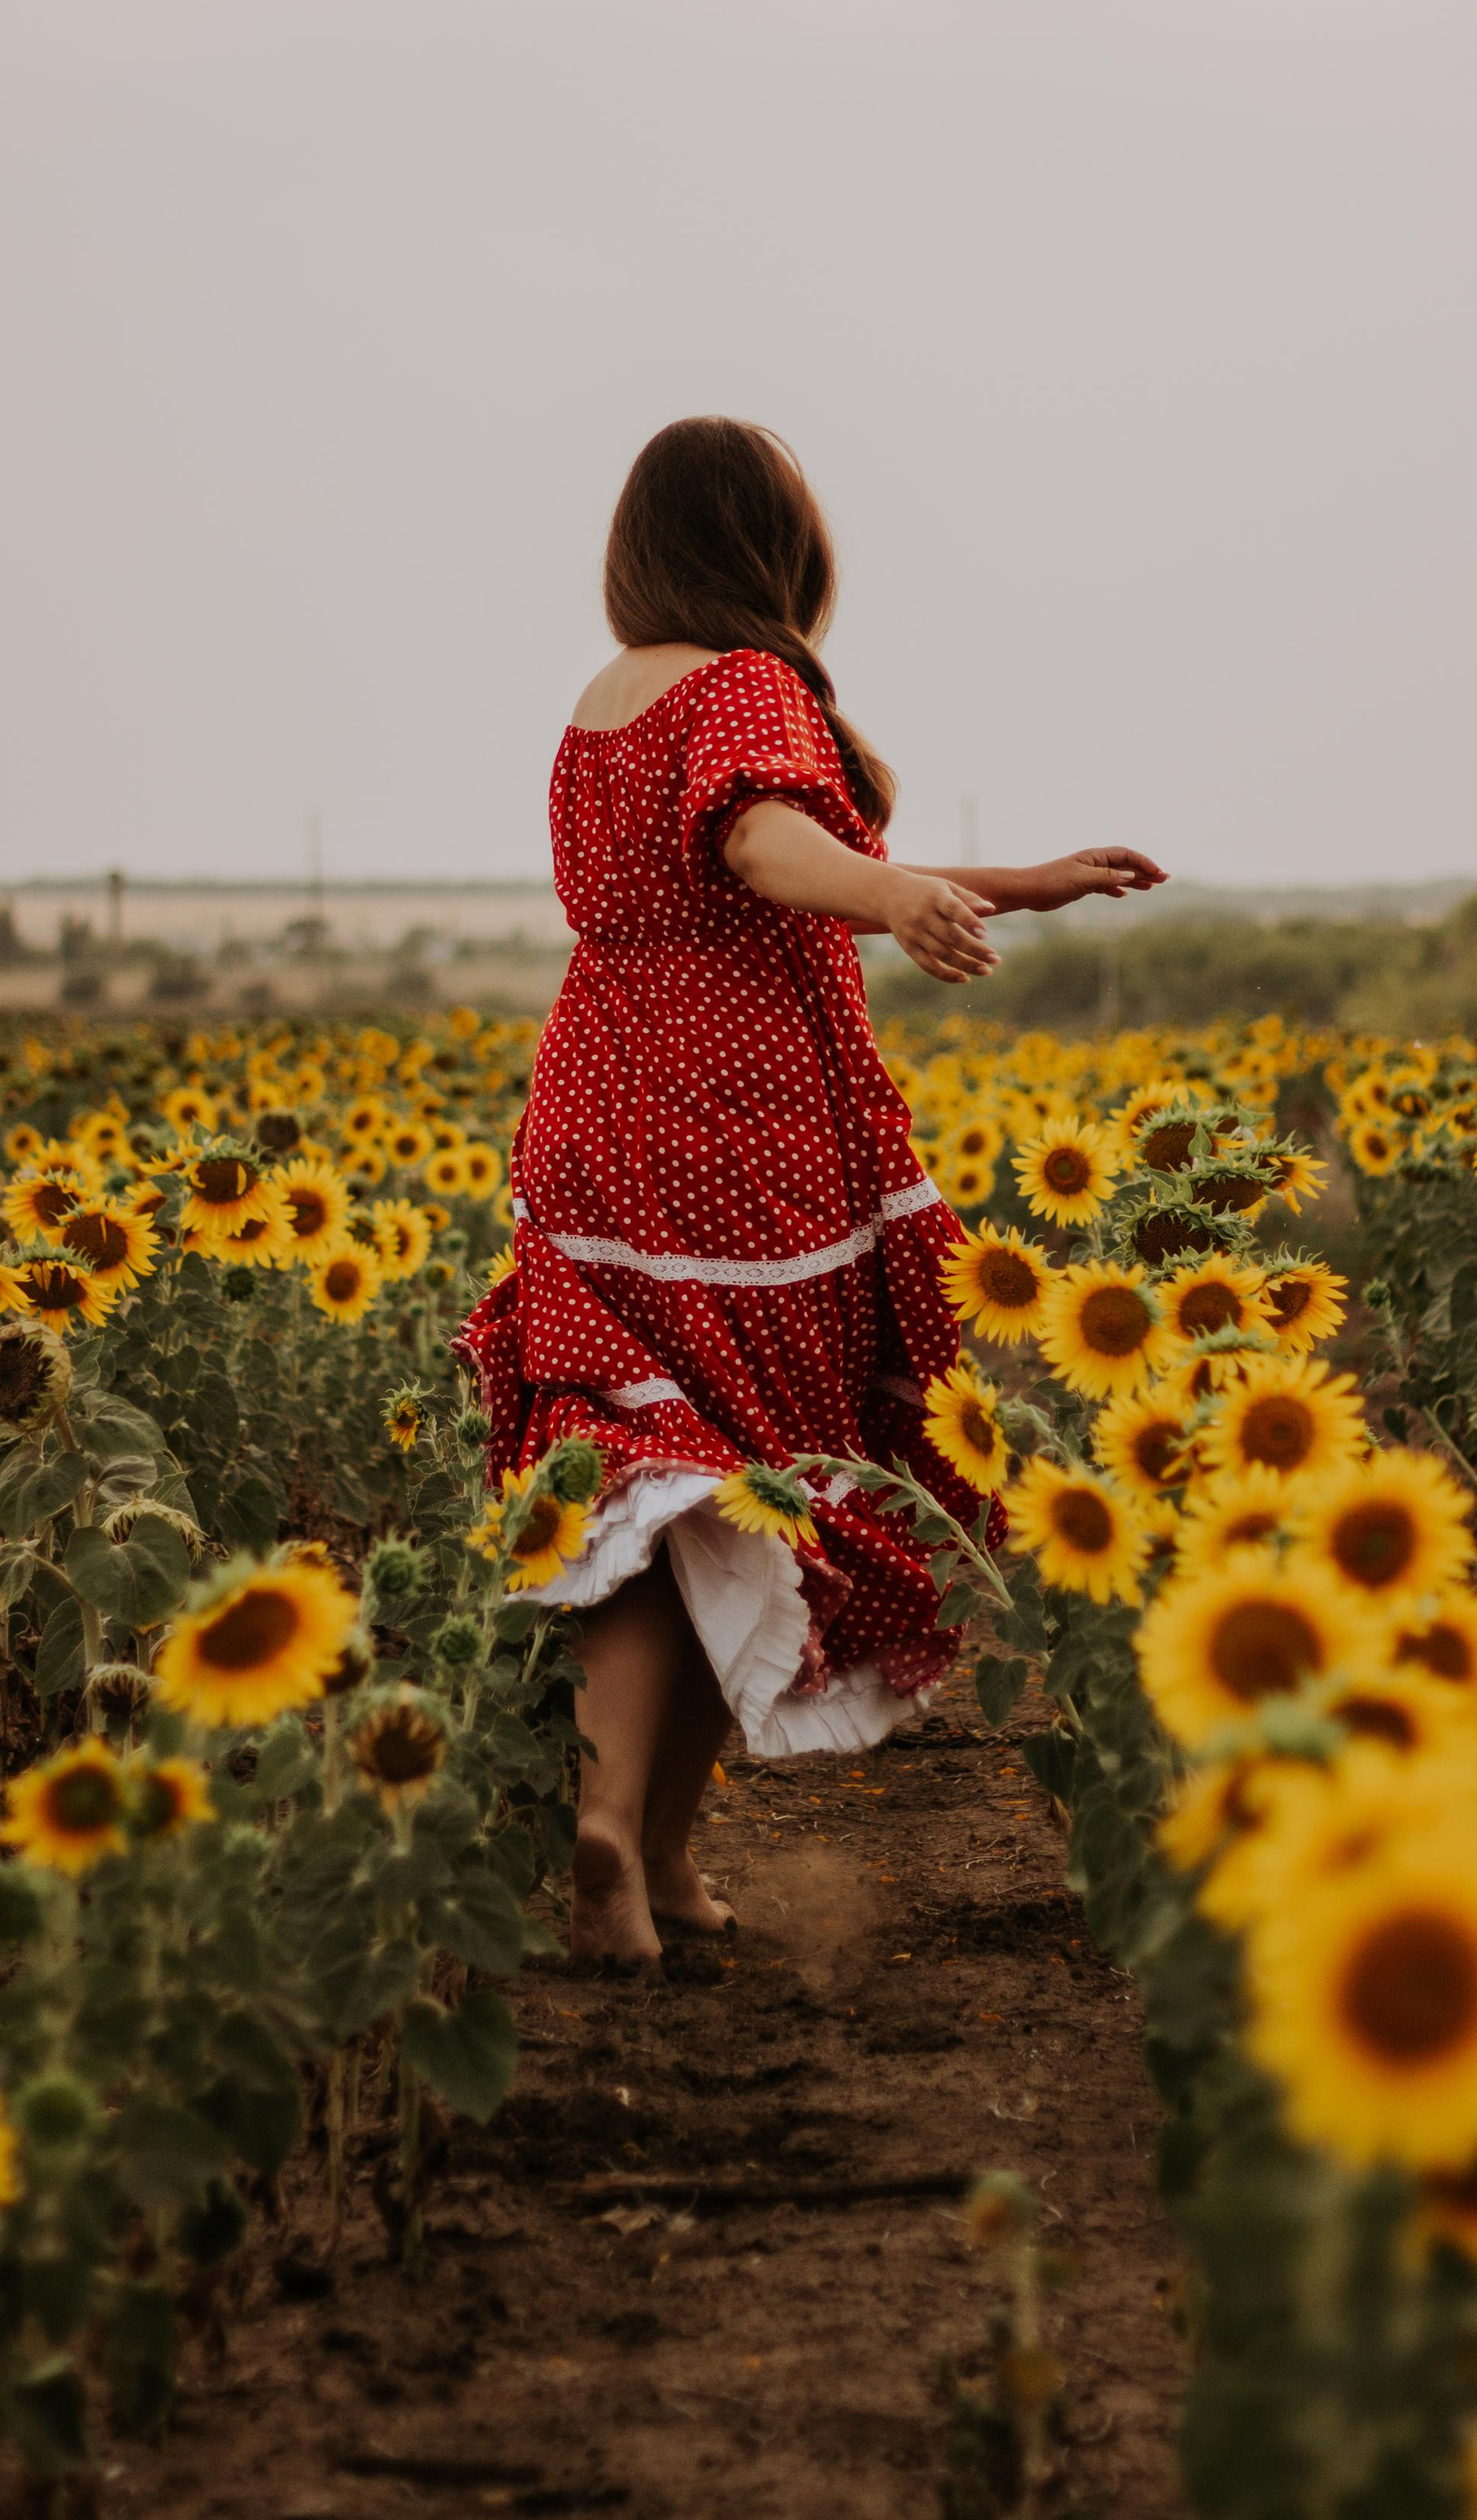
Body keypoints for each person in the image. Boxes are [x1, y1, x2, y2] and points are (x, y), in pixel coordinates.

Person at [456, 419, 1165, 1965]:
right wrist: (898, 892)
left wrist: (1020, 881)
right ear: (778, 550)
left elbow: (747, 849)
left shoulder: (602, 702)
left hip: (596, 1112)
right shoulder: (745, 685)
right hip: (745, 1125)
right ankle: (652, 1844)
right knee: (763, 1471)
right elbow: (767, 844)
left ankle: (630, 1837)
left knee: (659, 1477)